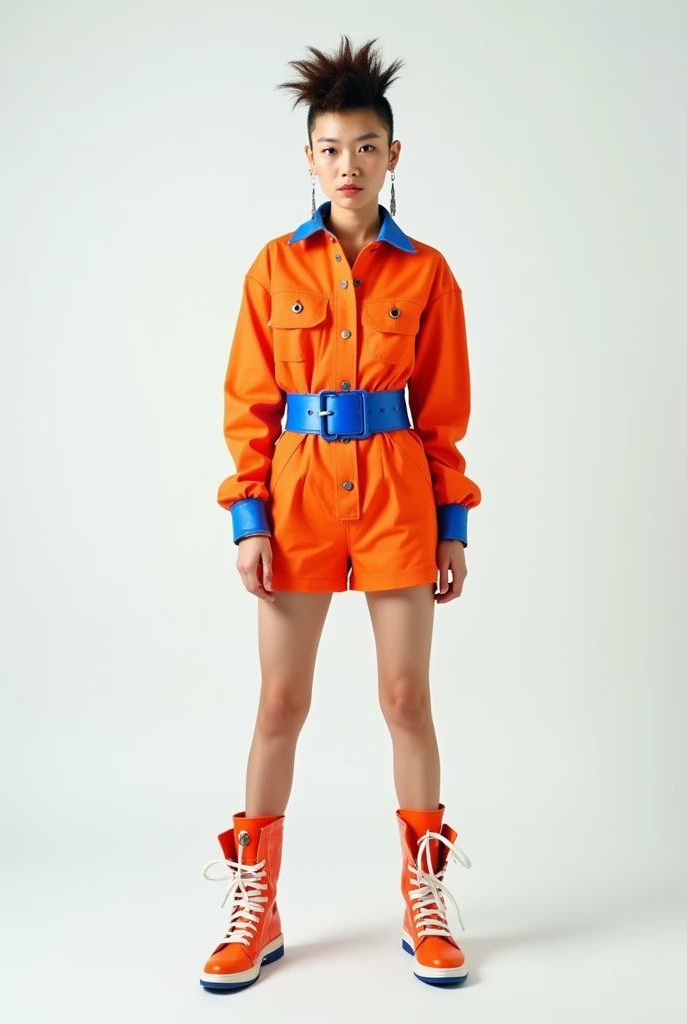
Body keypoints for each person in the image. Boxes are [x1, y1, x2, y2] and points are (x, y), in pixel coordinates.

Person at [199, 34, 482, 991]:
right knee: (281, 702)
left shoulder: (428, 273)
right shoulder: (274, 269)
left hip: (400, 491)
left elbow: (444, 412)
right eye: (330, 148)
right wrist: (251, 519)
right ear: (308, 159)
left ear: (392, 156)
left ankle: (426, 900)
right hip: (300, 494)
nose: (348, 165)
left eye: (366, 147)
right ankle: (256, 907)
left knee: (406, 699)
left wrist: (452, 525)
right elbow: (250, 404)